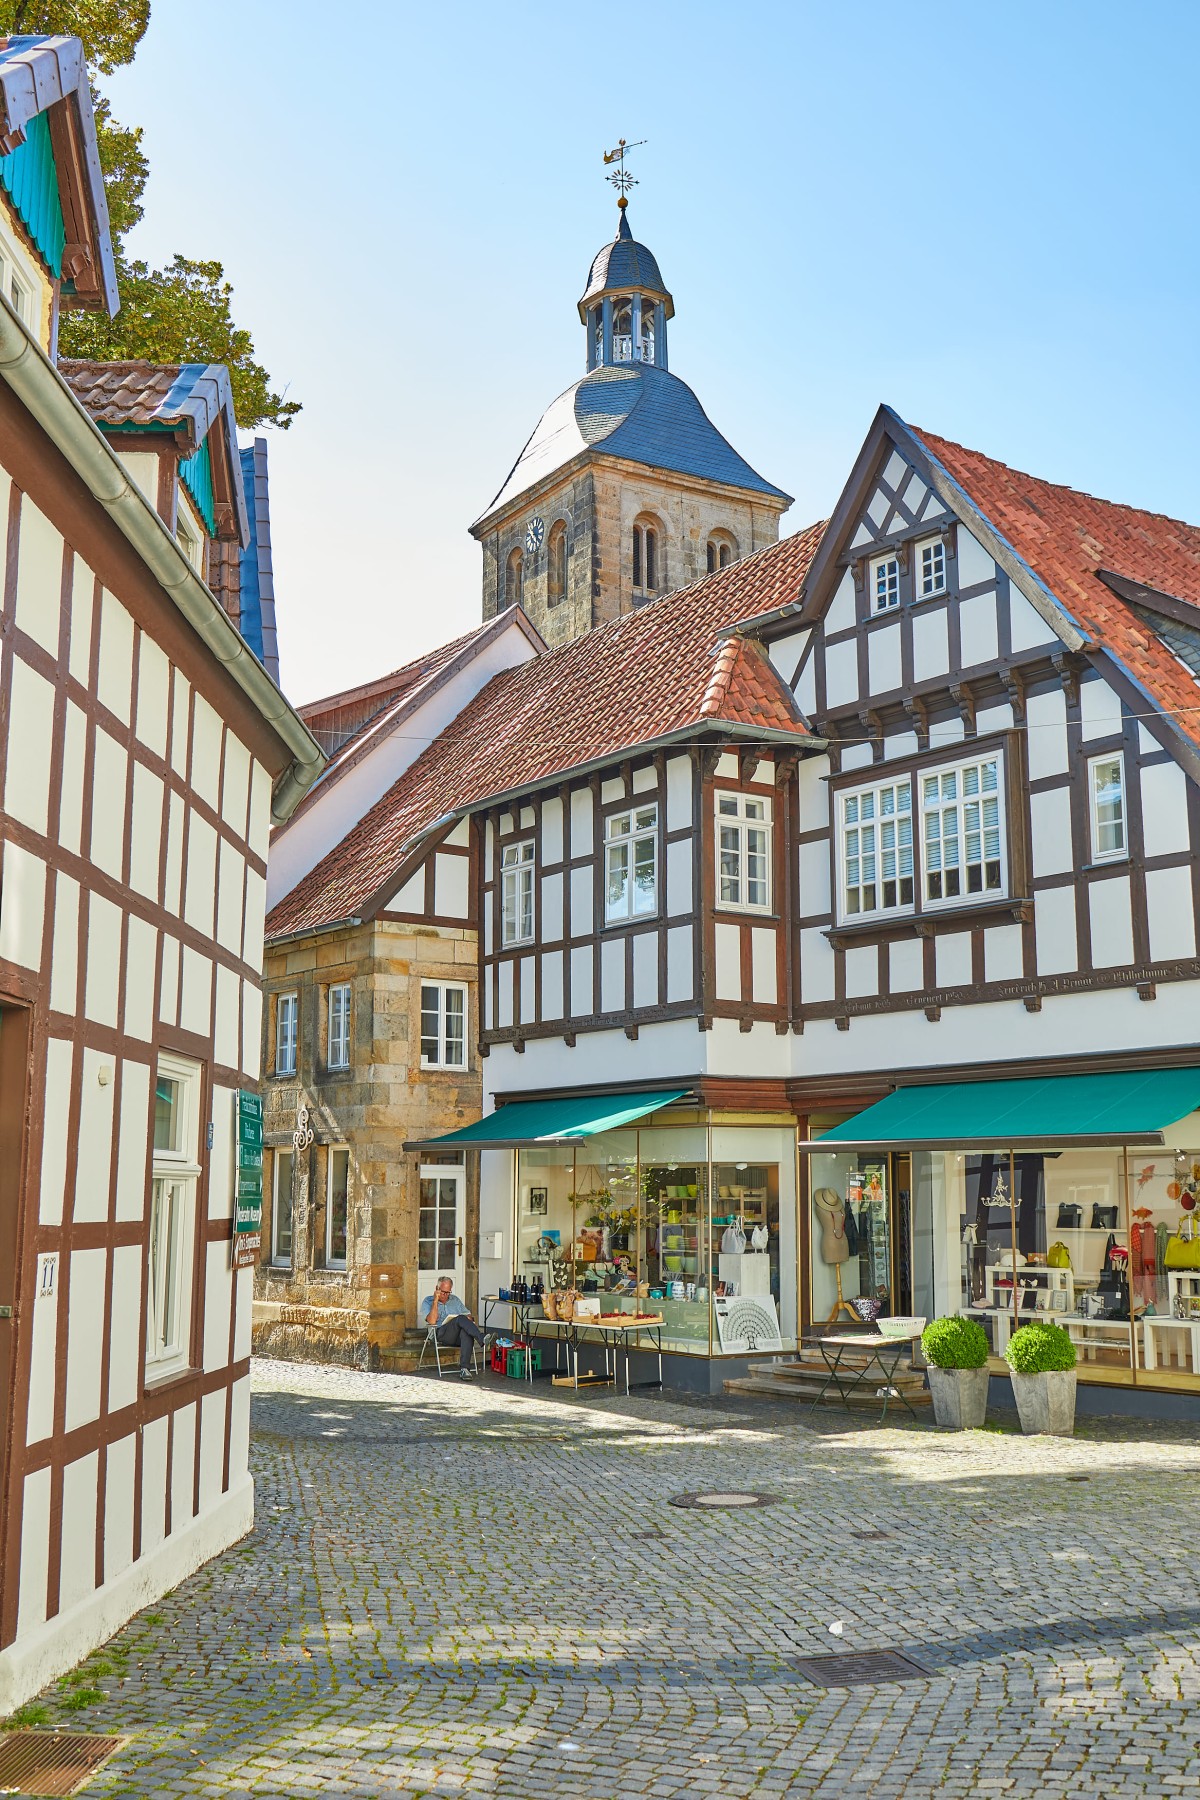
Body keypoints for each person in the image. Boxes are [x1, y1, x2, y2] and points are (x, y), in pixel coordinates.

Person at [420, 1277, 485, 1378]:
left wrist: (467, 1318)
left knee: (465, 1332)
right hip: (440, 1334)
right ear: (437, 1288)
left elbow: (468, 1315)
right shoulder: (428, 1301)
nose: (446, 1295)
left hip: (456, 1335)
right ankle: (481, 1338)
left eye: (448, 1292)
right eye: (443, 1292)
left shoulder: (455, 1300)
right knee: (459, 1319)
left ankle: (465, 1370)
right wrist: (436, 1301)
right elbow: (432, 1321)